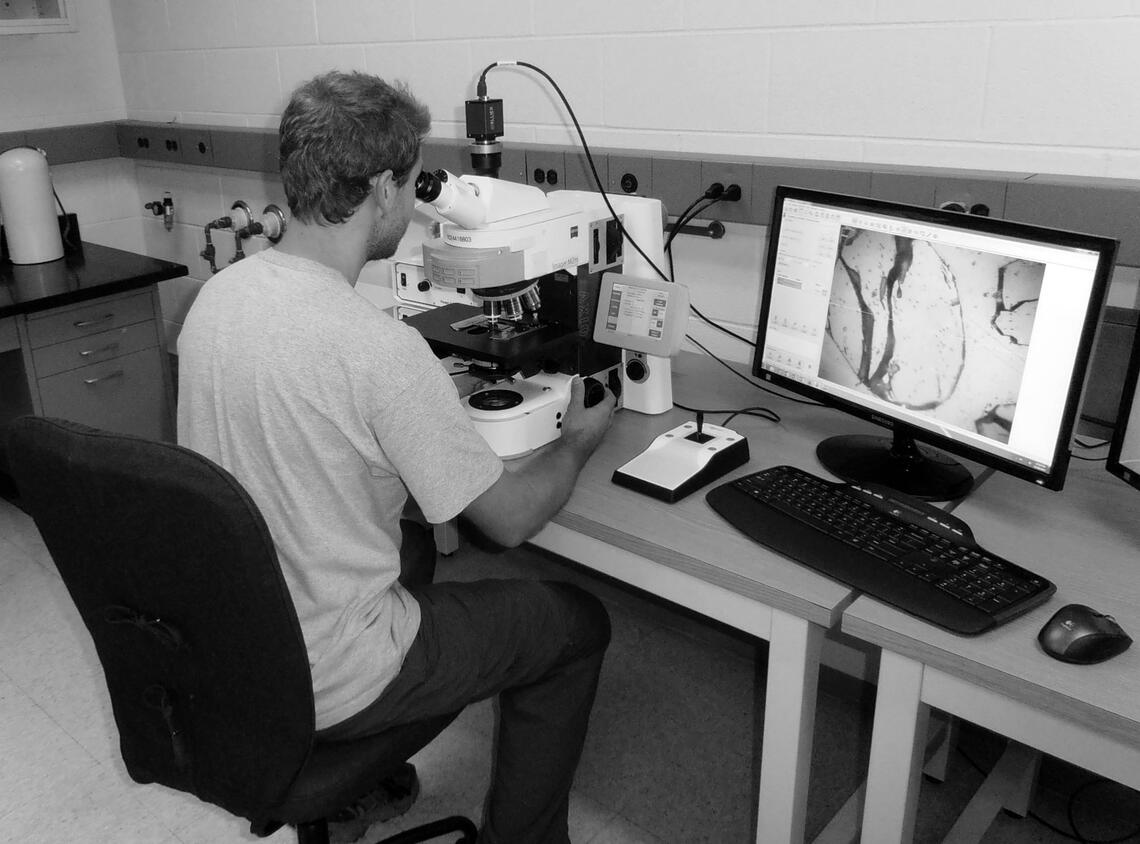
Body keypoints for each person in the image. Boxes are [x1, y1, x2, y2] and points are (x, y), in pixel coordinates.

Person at [176, 70, 617, 844]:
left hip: (230, 646)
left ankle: (357, 794)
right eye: (414, 186)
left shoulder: (216, 299)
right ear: (382, 188)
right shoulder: (377, 347)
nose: (415, 205)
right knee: (576, 622)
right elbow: (509, 522)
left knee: (412, 542)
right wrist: (581, 437)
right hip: (330, 669)